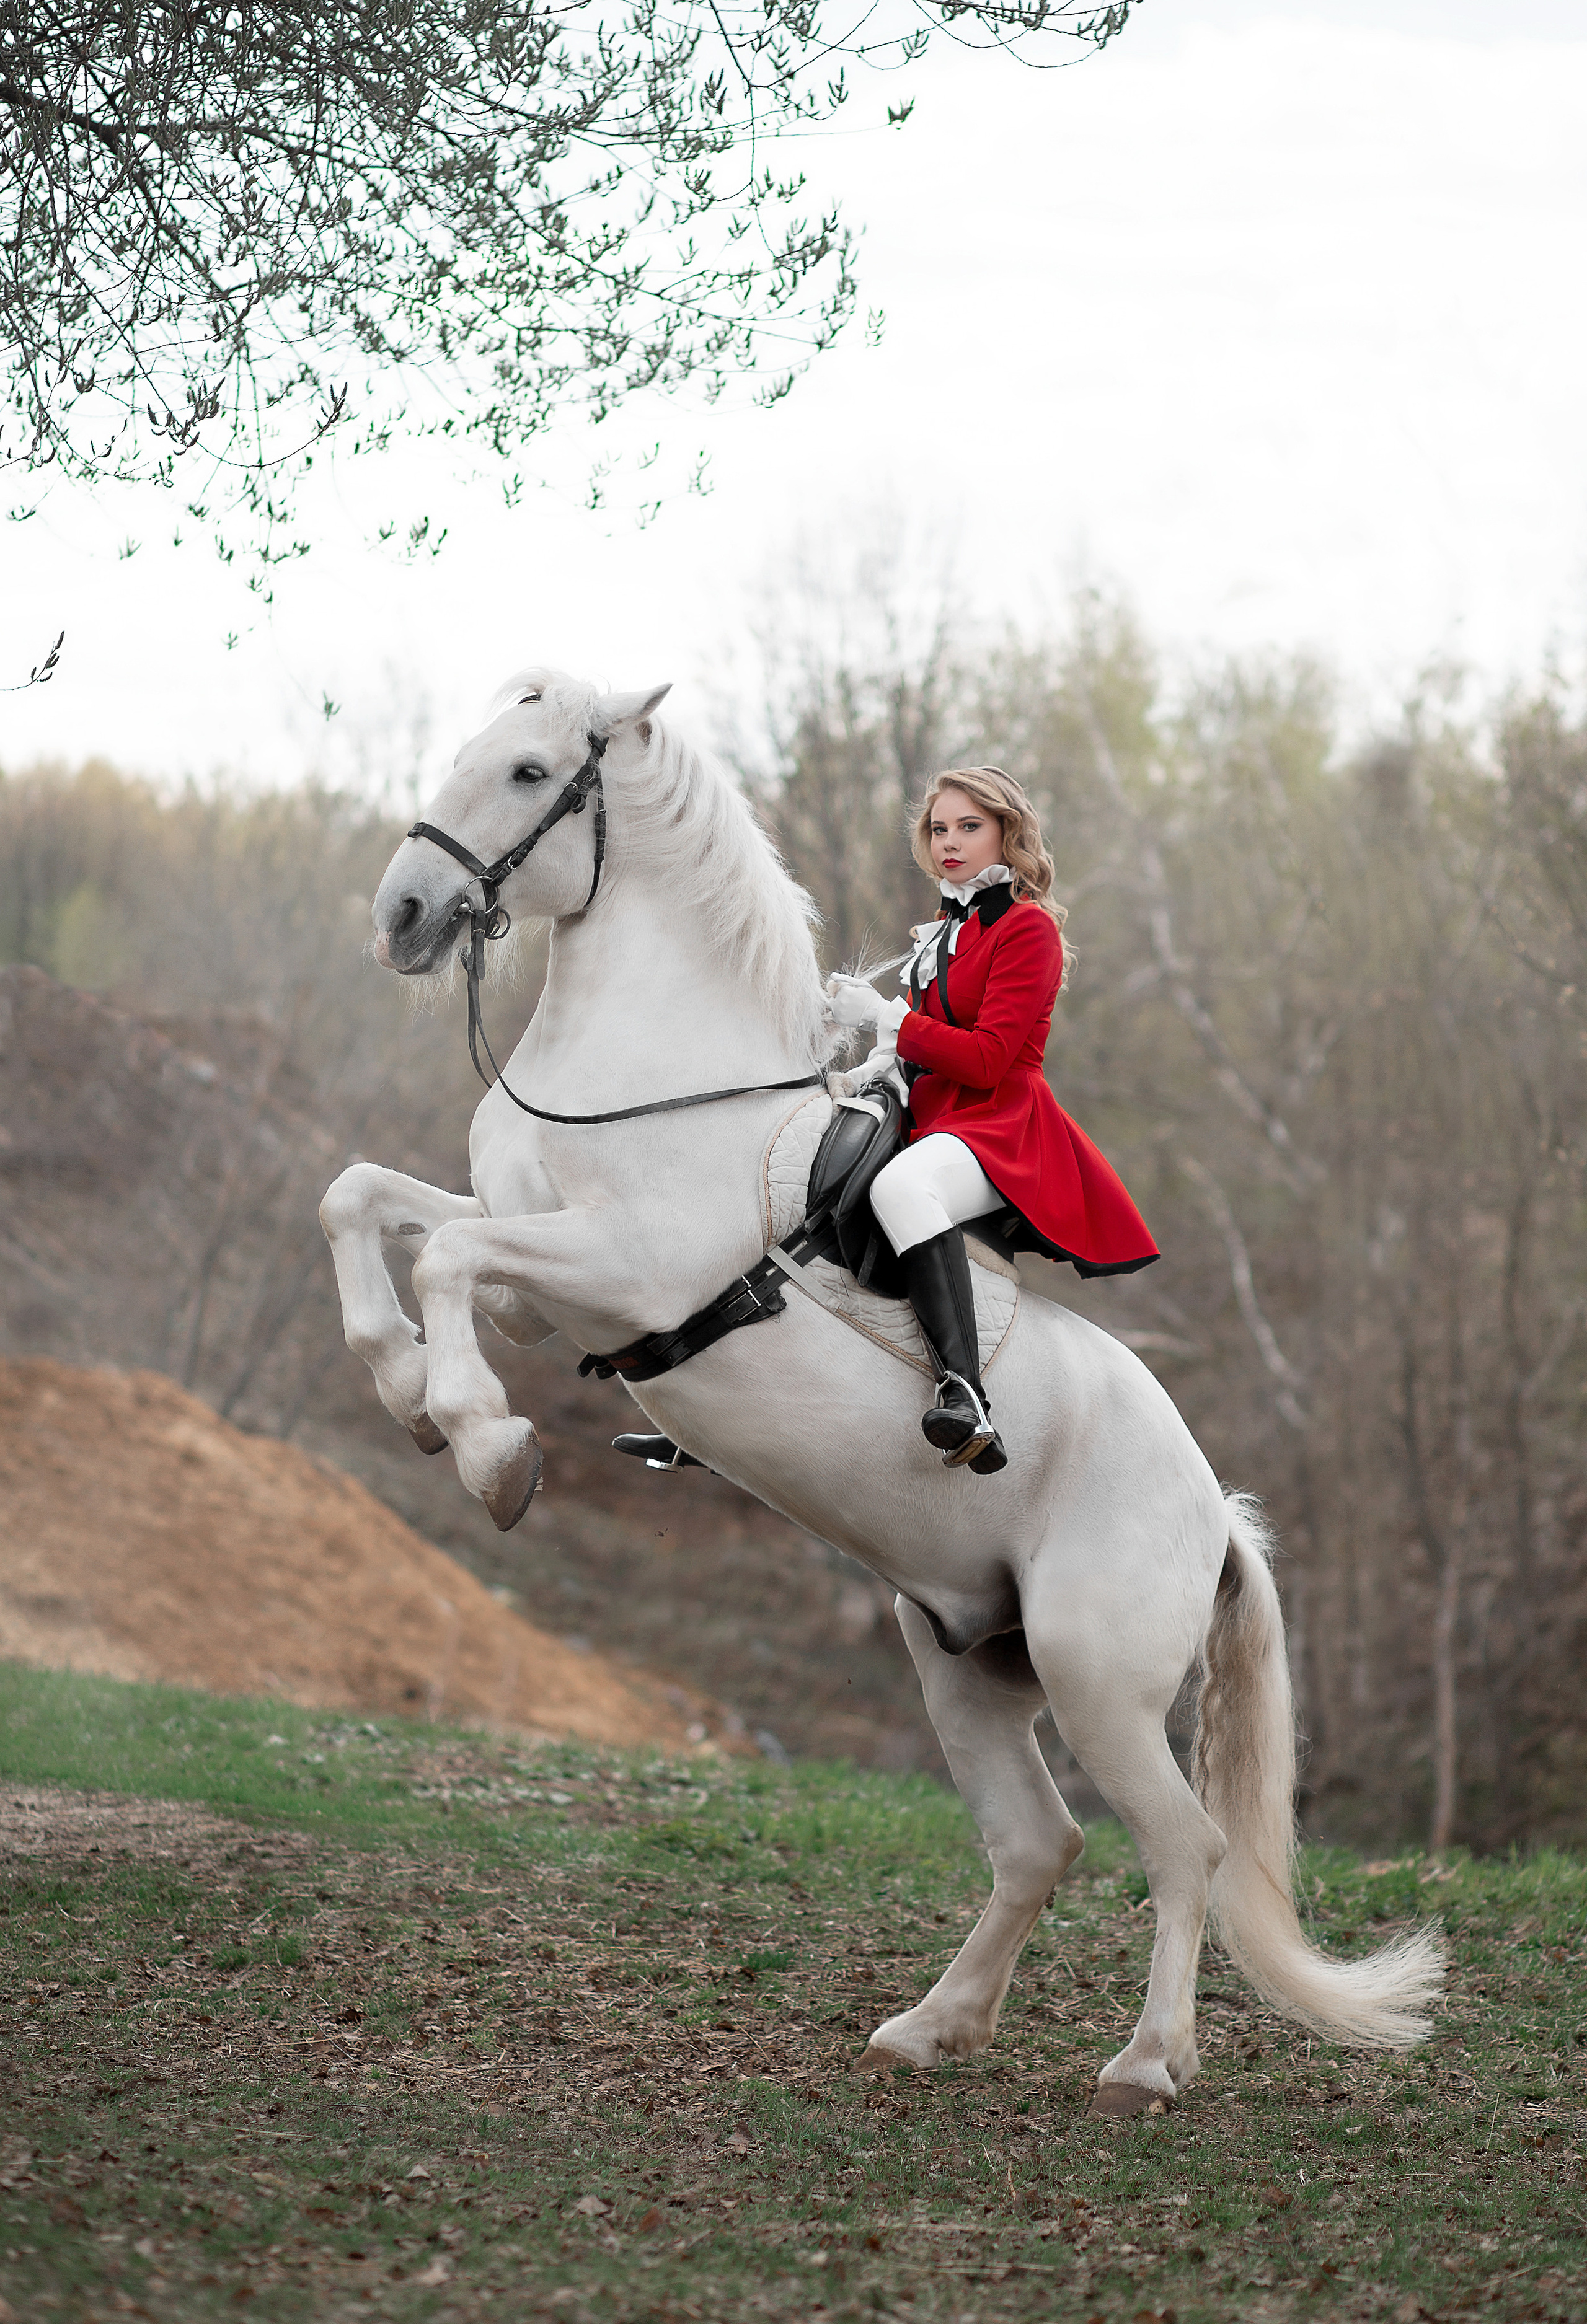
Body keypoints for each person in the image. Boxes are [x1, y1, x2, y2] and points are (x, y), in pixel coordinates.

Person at [826, 765, 1159, 1476]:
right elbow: (908, 1046)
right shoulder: (942, 930)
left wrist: (887, 1014)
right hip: (930, 1115)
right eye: (939, 829)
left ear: (1008, 832)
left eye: (968, 827)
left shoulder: (1026, 929)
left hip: (1000, 1127)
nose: (950, 842)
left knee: (902, 1190)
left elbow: (984, 1061)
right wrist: (856, 1066)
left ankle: (965, 1391)